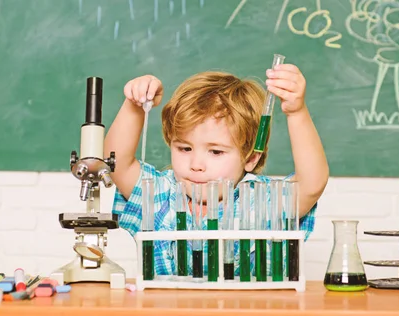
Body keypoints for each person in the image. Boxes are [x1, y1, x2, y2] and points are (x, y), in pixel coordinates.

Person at [104, 61, 329, 275]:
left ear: (250, 158)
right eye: (184, 148)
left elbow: (311, 184)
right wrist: (135, 104)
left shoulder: (261, 203)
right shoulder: (160, 195)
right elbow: (116, 163)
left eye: (216, 152)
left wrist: (296, 113)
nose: (196, 165)